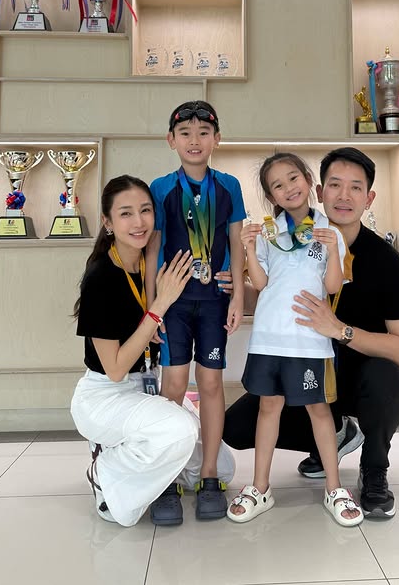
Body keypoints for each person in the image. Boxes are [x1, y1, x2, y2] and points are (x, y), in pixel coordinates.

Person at [223, 147, 399, 519]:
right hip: (300, 358)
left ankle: (374, 470)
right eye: (335, 185)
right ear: (319, 190)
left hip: (357, 375)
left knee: (387, 379)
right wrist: (234, 289)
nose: (344, 196)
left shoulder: (387, 263)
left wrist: (340, 330)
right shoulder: (288, 235)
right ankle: (338, 434)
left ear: (369, 199)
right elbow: (273, 290)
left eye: (355, 188)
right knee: (235, 426)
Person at [227, 153, 362, 527]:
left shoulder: (329, 231)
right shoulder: (269, 232)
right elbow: (261, 282)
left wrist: (332, 250)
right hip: (269, 338)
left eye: (293, 178)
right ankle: (260, 487)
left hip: (309, 339)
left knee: (319, 410)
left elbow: (332, 286)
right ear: (271, 196)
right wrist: (249, 248)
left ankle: (334, 488)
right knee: (267, 408)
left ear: (307, 179)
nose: (288, 188)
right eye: (278, 185)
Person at [70, 174, 197, 527]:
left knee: (217, 465)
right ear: (108, 222)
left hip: (147, 385)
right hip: (106, 395)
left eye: (145, 210)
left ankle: (124, 448)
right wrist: (159, 307)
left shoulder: (147, 263)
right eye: (126, 213)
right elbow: (114, 369)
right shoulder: (100, 278)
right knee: (179, 433)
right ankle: (104, 469)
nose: (139, 222)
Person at [150, 100, 246, 520]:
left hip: (213, 301)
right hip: (172, 303)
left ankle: (209, 476)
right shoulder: (160, 188)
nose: (195, 140)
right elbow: (152, 249)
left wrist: (238, 295)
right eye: (185, 133)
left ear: (217, 139)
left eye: (203, 133)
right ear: (171, 140)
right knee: (172, 386)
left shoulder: (228, 186)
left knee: (210, 383)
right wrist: (153, 309)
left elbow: (237, 242)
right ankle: (168, 479)